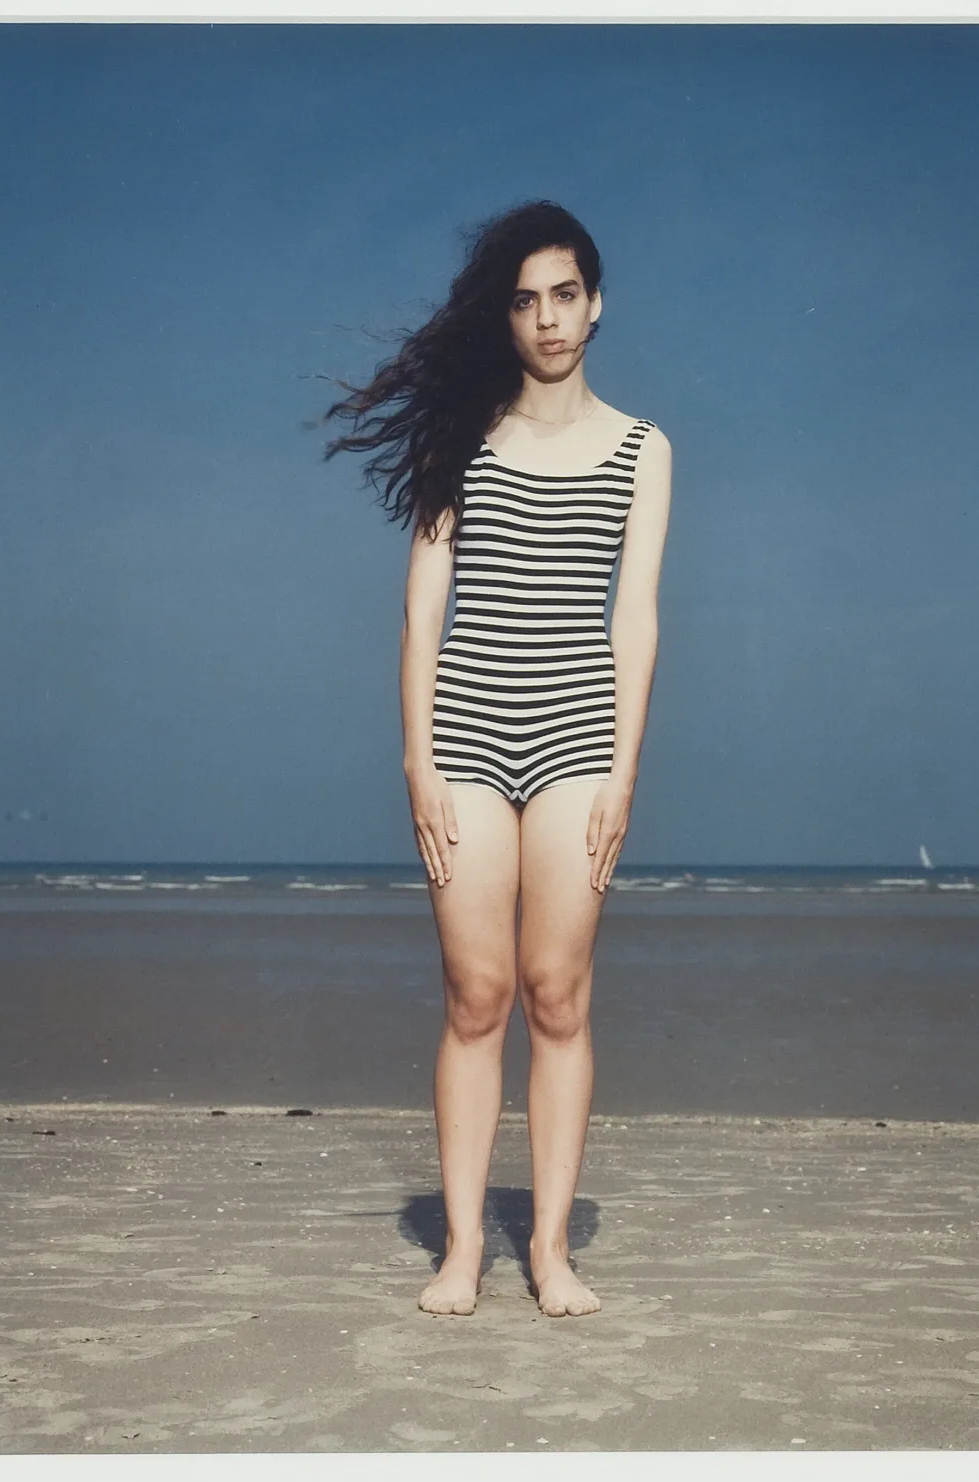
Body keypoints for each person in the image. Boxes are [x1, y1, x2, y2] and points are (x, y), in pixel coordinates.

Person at [325, 201, 672, 1318]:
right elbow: (423, 611)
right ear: (506, 316)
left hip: (579, 737)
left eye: (565, 293)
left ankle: (553, 1250)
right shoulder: (459, 441)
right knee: (477, 993)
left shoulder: (642, 448)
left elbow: (635, 618)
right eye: (525, 300)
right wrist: (419, 766)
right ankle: (465, 1246)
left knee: (555, 992)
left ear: (596, 300)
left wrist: (622, 772)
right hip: (466, 735)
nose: (547, 318)